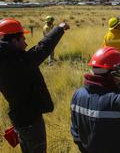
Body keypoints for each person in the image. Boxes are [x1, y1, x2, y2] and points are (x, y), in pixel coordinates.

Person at [0, 18, 70, 153]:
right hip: (30, 121)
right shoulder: (17, 63)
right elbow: (42, 48)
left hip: (18, 119)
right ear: (13, 41)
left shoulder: (7, 59)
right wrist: (59, 29)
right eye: (22, 39)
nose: (26, 44)